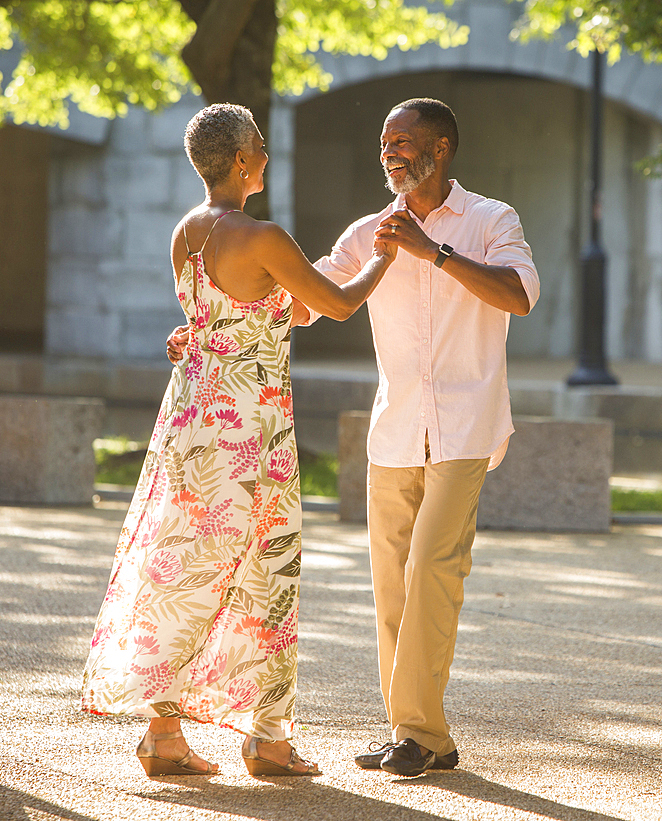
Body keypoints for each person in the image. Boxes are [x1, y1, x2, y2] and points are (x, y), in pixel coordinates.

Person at [168, 97, 538, 777]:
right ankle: (418, 734)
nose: (392, 153)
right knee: (392, 585)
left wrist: (437, 253)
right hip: (393, 429)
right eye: (385, 144)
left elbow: (518, 294)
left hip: (467, 426)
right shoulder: (367, 230)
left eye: (406, 142)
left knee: (432, 568)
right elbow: (298, 298)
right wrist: (207, 329)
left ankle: (420, 733)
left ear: (443, 148)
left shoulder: (491, 220)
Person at [81, 103, 395, 778]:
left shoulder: (185, 234)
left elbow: (236, 316)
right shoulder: (263, 236)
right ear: (242, 160)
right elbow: (337, 305)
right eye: (260, 146)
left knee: (183, 569)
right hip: (250, 434)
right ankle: (268, 737)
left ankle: (169, 733)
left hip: (192, 422)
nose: (268, 156)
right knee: (266, 571)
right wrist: (384, 257)